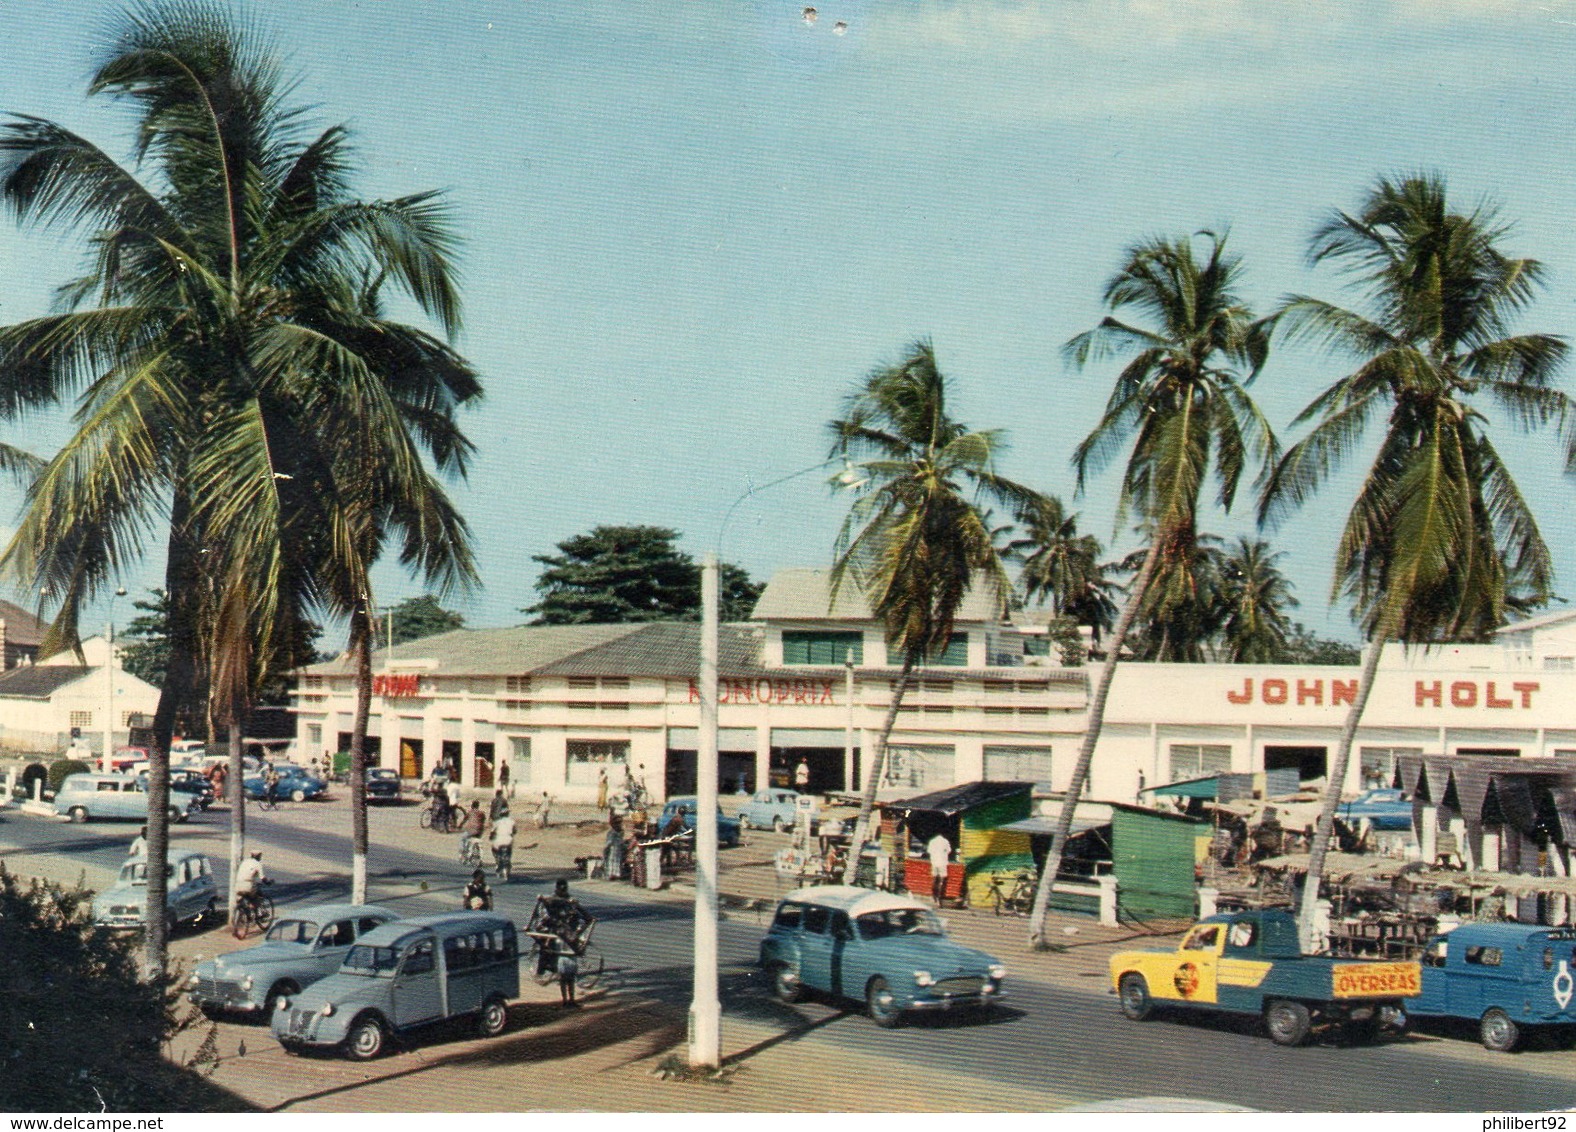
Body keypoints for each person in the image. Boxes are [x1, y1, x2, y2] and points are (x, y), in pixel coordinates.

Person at [234, 850, 269, 914]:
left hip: (238, 885)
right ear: (258, 856)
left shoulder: (244, 862)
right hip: (248, 885)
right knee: (255, 898)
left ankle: (247, 916)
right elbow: (262, 877)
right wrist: (268, 882)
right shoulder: (257, 864)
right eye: (260, 856)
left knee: (240, 900)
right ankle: (255, 915)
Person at [927, 831, 952, 906]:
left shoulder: (932, 841)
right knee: (941, 881)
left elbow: (929, 851)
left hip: (934, 862)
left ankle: (933, 896)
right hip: (942, 863)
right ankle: (939, 898)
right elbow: (949, 851)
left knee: (934, 880)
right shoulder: (945, 841)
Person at [490, 808, 517, 877]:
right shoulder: (512, 821)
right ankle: (508, 861)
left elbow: (492, 832)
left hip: (499, 840)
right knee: (509, 851)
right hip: (508, 840)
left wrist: (491, 837)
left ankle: (498, 862)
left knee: (494, 850)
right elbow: (514, 831)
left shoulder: (497, 822)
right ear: (508, 814)